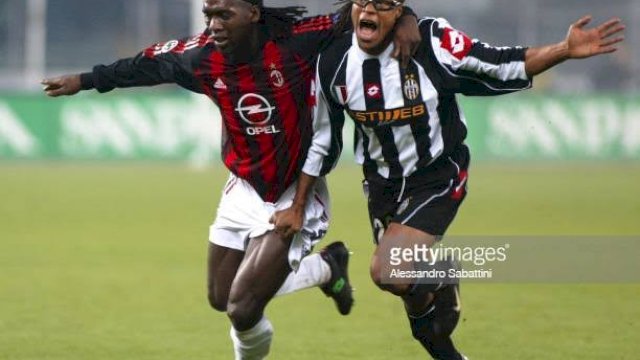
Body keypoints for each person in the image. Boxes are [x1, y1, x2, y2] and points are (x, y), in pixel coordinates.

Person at [41, 0, 422, 359]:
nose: (214, 25)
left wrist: (407, 17)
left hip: (296, 191)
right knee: (222, 298)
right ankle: (327, 268)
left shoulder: (299, 42)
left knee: (241, 309)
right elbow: (144, 66)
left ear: (253, 13)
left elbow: (362, 14)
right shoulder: (201, 57)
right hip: (242, 188)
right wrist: (86, 79)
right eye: (209, 15)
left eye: (224, 14)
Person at [305, 0, 626, 359]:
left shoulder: (432, 43)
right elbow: (322, 134)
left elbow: (500, 64)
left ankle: (442, 272)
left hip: (437, 176)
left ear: (398, 11)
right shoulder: (333, 59)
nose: (369, 11)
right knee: (420, 313)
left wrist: (564, 50)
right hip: (382, 186)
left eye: (383, 4)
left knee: (389, 270)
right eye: (362, 1)